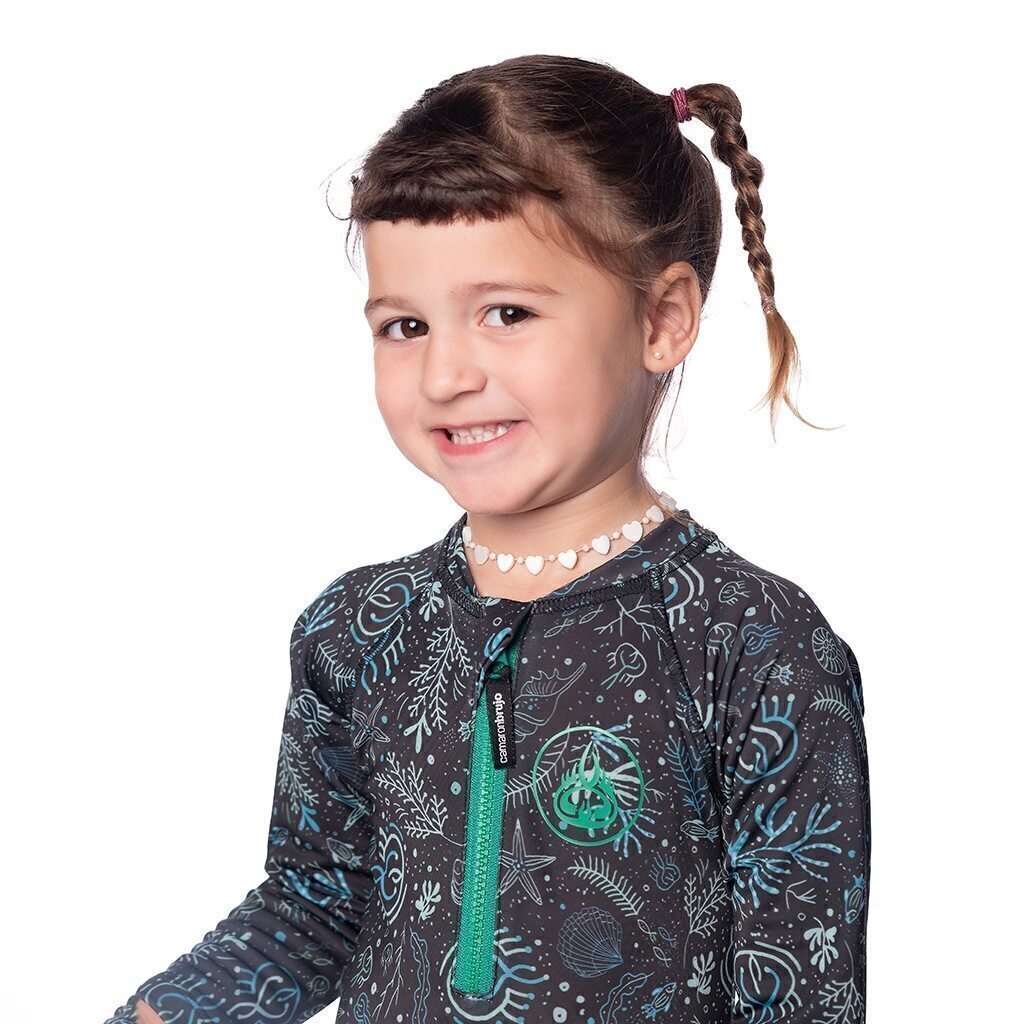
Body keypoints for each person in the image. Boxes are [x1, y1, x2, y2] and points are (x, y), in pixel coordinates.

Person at [105, 54, 870, 1024]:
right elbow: (315, 904)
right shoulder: (358, 628)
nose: (445, 375)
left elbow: (800, 992)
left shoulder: (750, 644)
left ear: (662, 318)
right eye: (405, 326)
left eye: (507, 313)